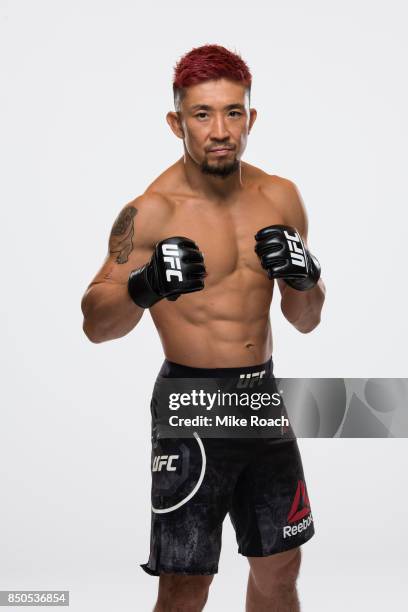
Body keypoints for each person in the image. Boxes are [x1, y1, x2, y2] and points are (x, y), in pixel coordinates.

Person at [81, 44, 326, 612]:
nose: (220, 130)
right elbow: (96, 323)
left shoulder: (280, 197)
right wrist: (144, 285)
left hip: (261, 398)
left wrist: (306, 275)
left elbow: (305, 319)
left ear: (250, 118)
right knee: (187, 581)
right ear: (177, 123)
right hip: (190, 404)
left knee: (281, 566)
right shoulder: (151, 211)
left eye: (232, 112)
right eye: (202, 114)